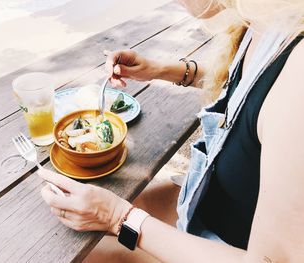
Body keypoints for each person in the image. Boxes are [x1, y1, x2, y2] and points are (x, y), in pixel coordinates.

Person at [38, 0, 304, 262]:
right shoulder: (271, 19)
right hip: (208, 199)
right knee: (78, 225)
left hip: (226, 244)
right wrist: (161, 69)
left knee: (80, 254)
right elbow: (250, 86)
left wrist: (118, 217)